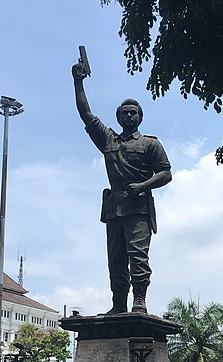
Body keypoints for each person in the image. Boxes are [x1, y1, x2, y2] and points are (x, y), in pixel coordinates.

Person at [73, 59, 172, 315]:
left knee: (137, 256)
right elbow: (86, 114)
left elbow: (165, 173)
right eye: (124, 113)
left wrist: (143, 185)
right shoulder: (108, 140)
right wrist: (78, 82)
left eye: (133, 113)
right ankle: (119, 304)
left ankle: (139, 300)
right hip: (113, 207)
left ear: (140, 118)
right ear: (118, 117)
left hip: (138, 206)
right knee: (115, 259)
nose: (129, 115)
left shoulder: (151, 144)